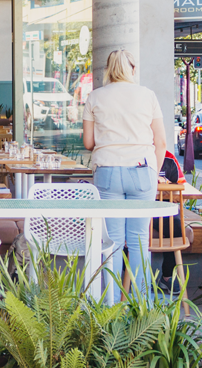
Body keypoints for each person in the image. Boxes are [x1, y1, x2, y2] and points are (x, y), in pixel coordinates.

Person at [82, 49, 166, 303]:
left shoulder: (95, 97)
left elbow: (88, 143)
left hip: (107, 171)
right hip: (142, 171)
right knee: (140, 238)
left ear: (107, 69)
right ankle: (141, 307)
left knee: (113, 240)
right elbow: (160, 142)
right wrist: (154, 170)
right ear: (132, 68)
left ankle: (111, 304)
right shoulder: (147, 96)